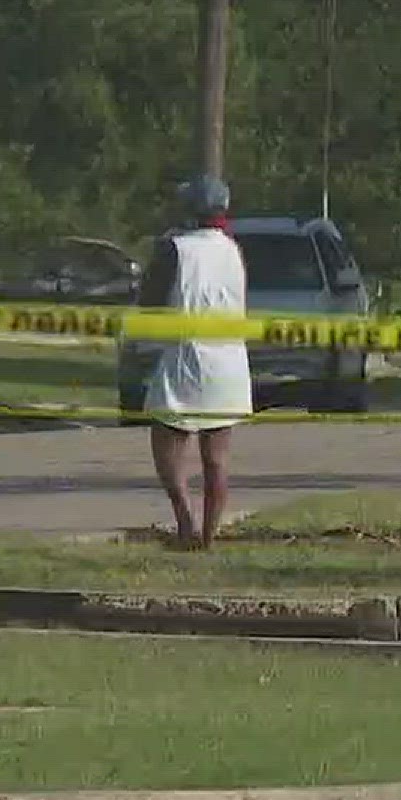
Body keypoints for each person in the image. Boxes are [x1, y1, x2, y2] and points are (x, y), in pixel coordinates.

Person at [140, 175, 254, 550]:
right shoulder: (233, 249)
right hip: (229, 363)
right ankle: (209, 536)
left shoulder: (174, 248)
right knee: (216, 457)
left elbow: (150, 303)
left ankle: (185, 522)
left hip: (186, 358)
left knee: (167, 442)